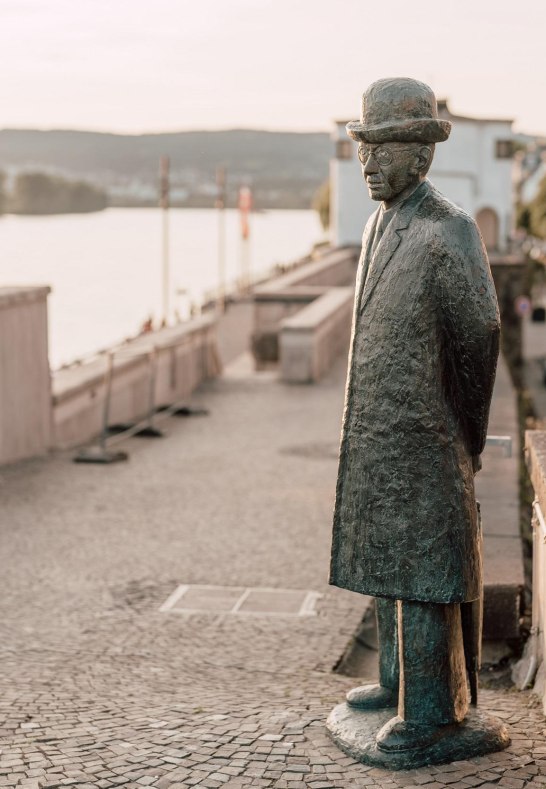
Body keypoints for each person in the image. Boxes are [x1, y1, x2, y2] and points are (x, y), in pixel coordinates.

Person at [329, 78, 500, 754]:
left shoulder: (446, 228)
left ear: (419, 156)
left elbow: (481, 333)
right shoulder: (381, 222)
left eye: (378, 149)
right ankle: (395, 677)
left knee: (425, 568)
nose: (365, 162)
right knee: (387, 552)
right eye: (362, 148)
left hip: (428, 436)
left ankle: (430, 715)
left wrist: (466, 429)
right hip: (379, 432)